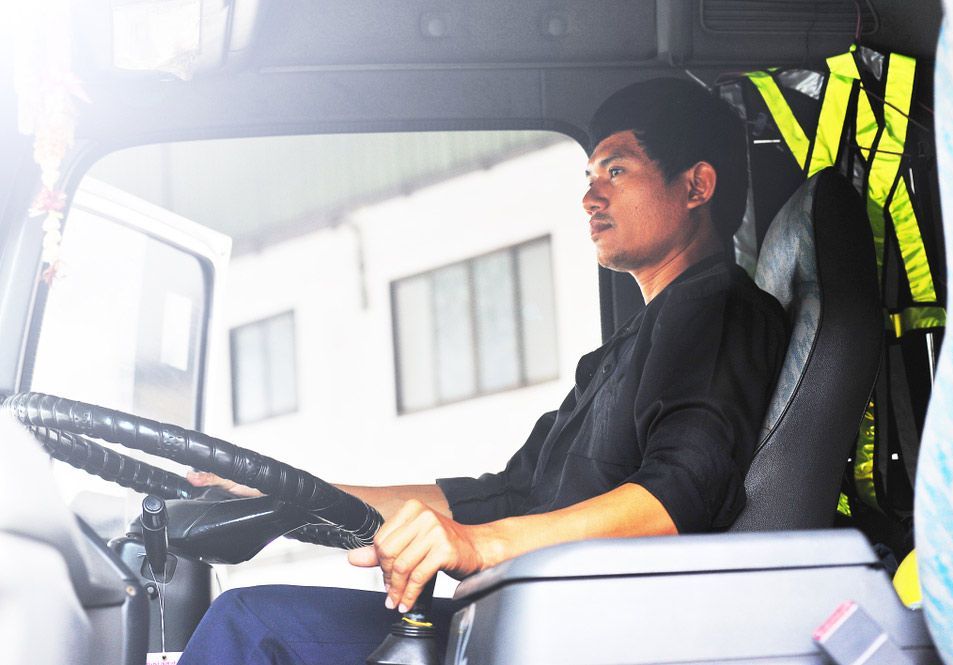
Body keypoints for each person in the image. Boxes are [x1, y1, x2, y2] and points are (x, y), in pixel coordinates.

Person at [178, 77, 789, 664]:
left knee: (252, 626)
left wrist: (481, 545)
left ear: (696, 186)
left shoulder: (717, 314)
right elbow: (504, 493)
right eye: (589, 175)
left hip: (586, 634)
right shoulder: (630, 344)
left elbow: (678, 497)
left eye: (616, 170)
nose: (590, 196)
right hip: (527, 620)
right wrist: (288, 490)